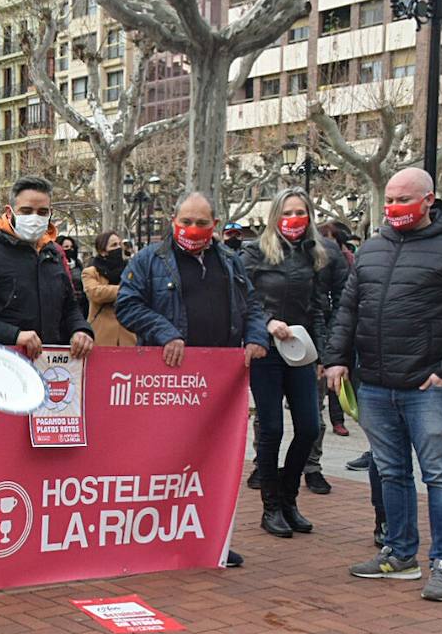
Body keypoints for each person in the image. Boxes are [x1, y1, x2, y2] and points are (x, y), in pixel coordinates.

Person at [327, 168, 442, 602]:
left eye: (403, 199)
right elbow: (349, 309)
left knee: (440, 477)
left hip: (429, 386)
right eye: (389, 199)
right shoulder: (372, 248)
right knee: (391, 472)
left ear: (429, 200)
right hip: (375, 384)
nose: (394, 207)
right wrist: (336, 358)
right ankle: (400, 554)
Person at [116, 191, 270, 569]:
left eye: (201, 223)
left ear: (214, 225)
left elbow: (252, 306)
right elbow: (128, 305)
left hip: (218, 384)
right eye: (186, 221)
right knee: (163, 461)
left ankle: (211, 540)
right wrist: (165, 332)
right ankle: (150, 538)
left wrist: (256, 337)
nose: (193, 229)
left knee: (212, 462)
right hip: (166, 381)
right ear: (174, 221)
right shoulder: (148, 260)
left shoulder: (231, 261)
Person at [241, 189, 328, 539]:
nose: (294, 219)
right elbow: (243, 298)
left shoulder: (314, 254)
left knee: (309, 427)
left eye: (300, 212)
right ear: (275, 215)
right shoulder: (255, 252)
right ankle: (271, 506)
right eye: (288, 212)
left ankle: (289, 500)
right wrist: (267, 321)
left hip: (301, 351)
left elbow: (319, 307)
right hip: (266, 351)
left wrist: (322, 355)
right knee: (272, 429)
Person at [0, 175, 94, 360]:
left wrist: (80, 330)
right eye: (26, 211)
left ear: (50, 214)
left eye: (42, 212)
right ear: (9, 213)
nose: (34, 218)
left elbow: (70, 307)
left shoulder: (53, 255)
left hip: (49, 366)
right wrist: (14, 335)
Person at [301, 218, 351, 490]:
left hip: (318, 341)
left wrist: (331, 348)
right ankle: (265, 466)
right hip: (274, 342)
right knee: (267, 417)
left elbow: (344, 301)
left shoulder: (330, 253)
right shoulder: (266, 248)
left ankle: (312, 466)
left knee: (313, 411)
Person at [81, 230, 136, 347]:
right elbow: (95, 293)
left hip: (128, 336)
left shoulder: (131, 270)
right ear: (102, 251)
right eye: (114, 245)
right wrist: (125, 290)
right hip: (101, 336)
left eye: (119, 244)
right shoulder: (90, 272)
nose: (119, 248)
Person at [57, 234, 87, 317]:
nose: (70, 249)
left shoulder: (78, 264)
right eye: (66, 247)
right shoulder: (56, 265)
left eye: (71, 247)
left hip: (81, 304)